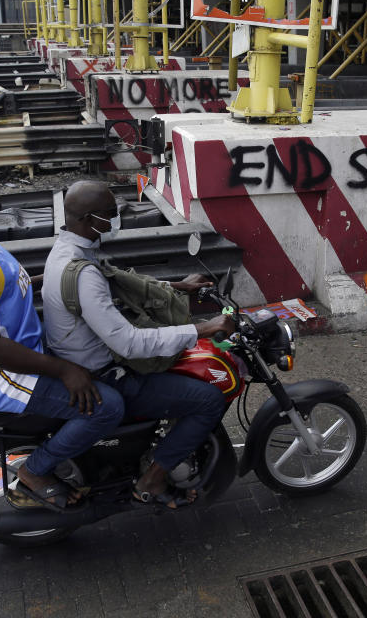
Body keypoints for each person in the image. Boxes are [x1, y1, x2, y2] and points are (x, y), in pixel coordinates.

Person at [0, 154, 123, 511]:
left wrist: (62, 280)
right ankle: (36, 471)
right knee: (106, 407)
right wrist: (66, 370)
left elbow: (5, 289)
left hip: (18, 358)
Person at [42, 180, 235, 509]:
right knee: (208, 400)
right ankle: (153, 478)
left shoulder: (67, 250)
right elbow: (129, 344)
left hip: (82, 357)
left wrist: (178, 285)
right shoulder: (83, 273)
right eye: (111, 214)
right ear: (89, 219)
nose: (117, 219)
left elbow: (119, 278)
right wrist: (203, 327)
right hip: (105, 373)